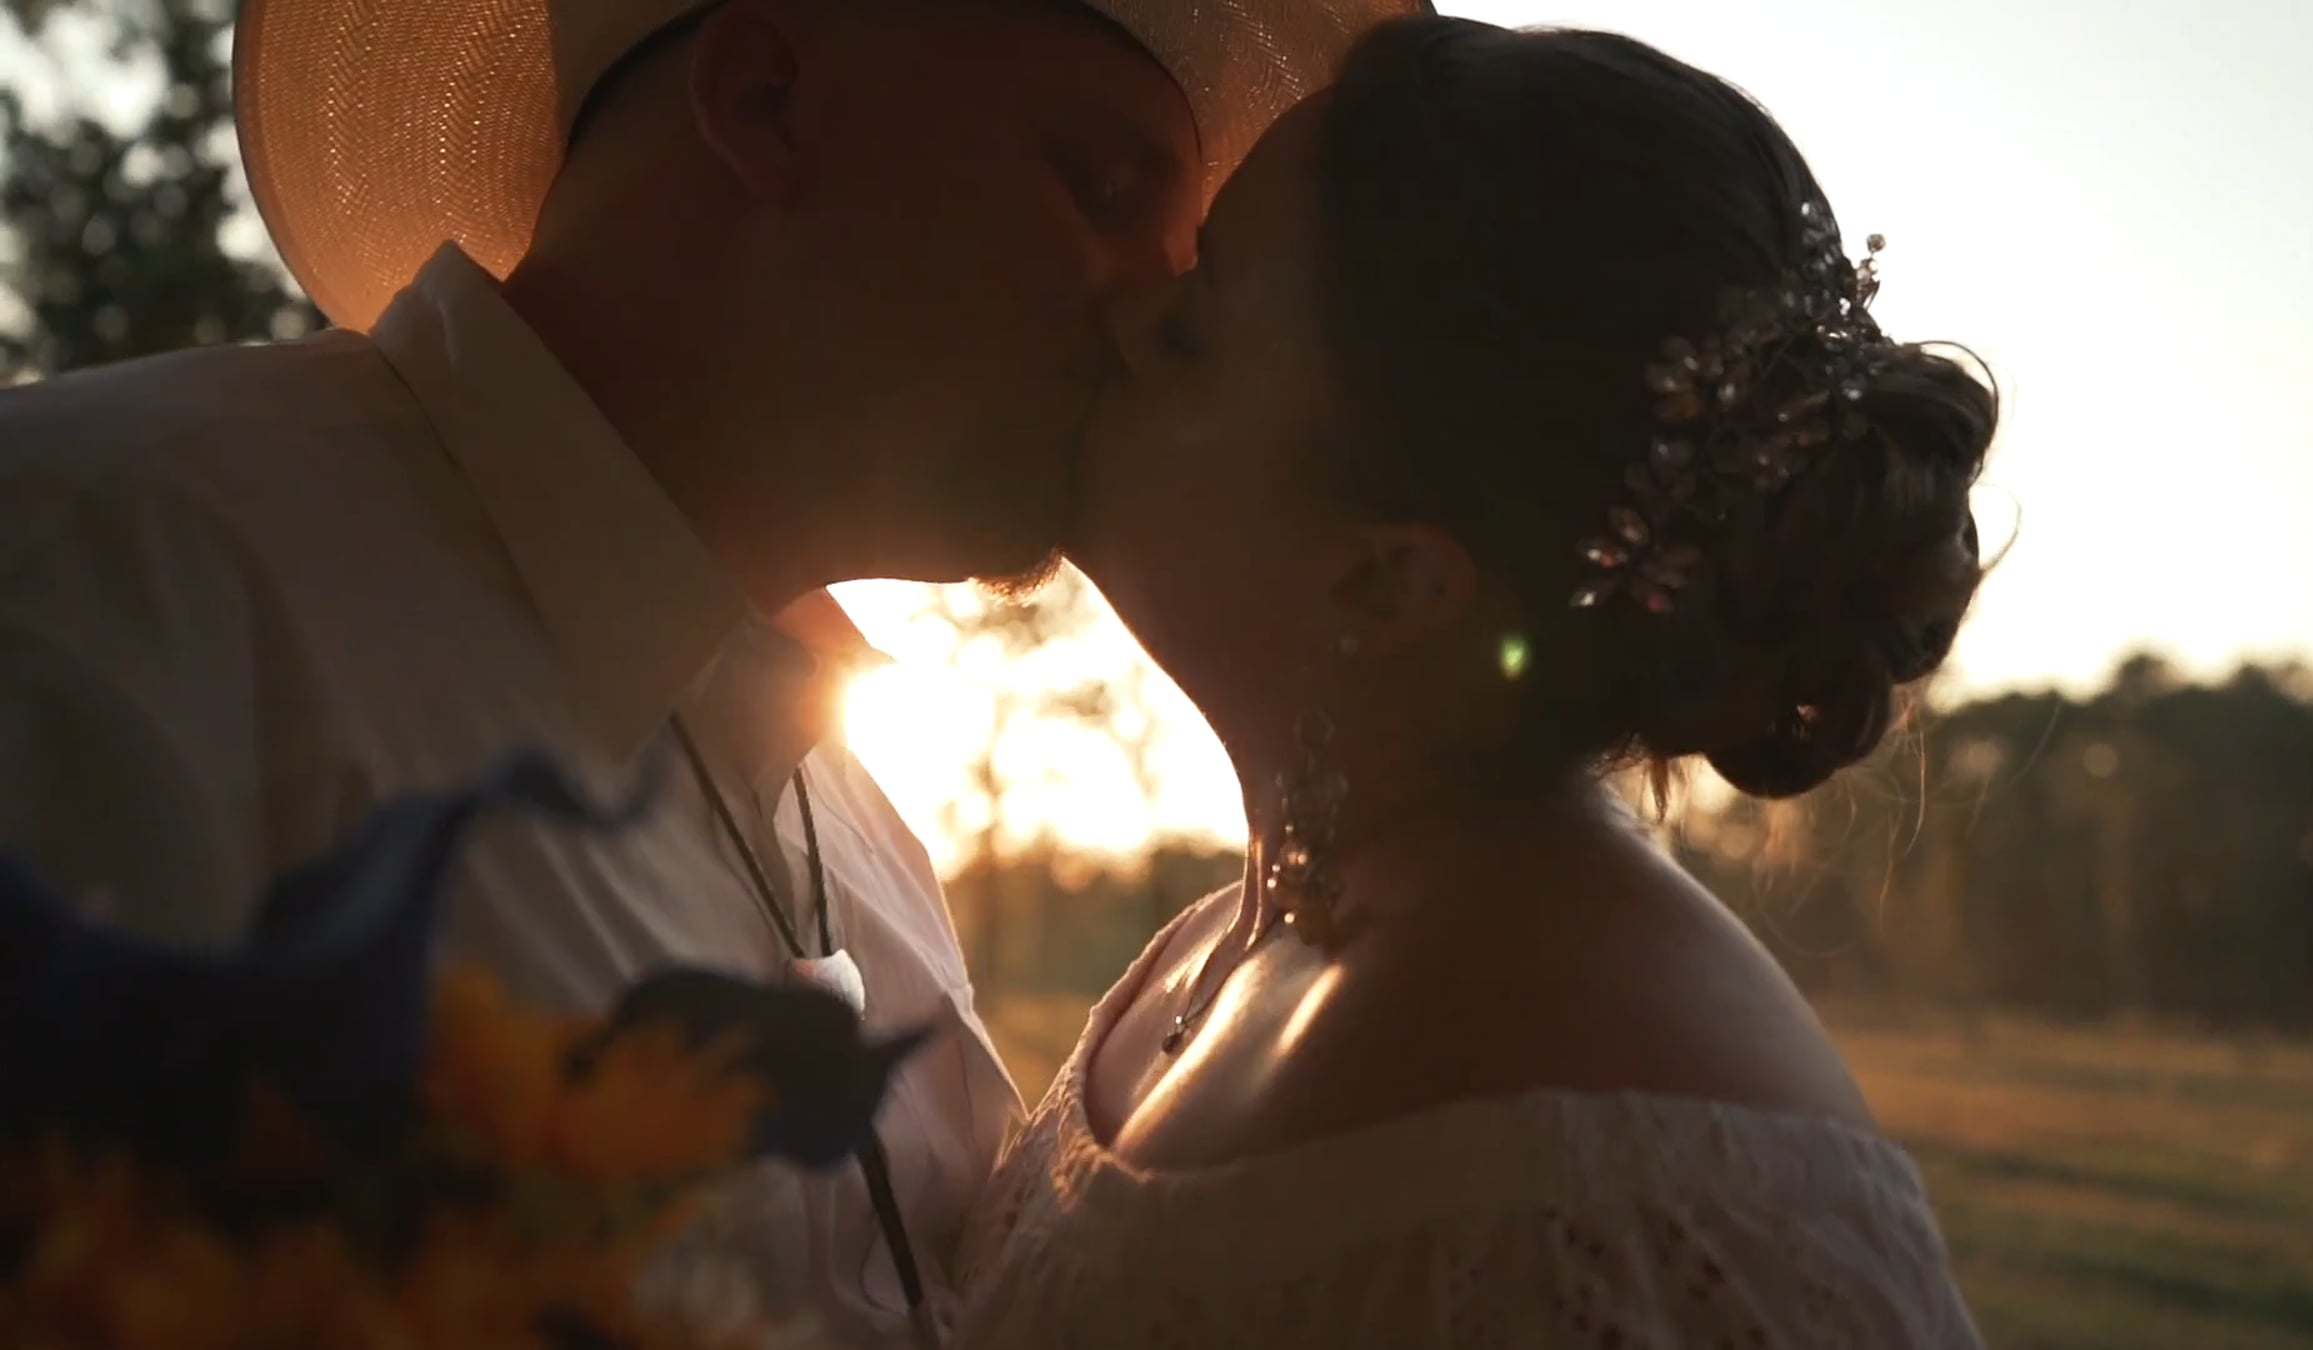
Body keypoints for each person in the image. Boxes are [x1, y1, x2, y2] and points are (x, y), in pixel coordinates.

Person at [0, 0, 1411, 1344]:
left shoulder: (859, 828)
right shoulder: (106, 588)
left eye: (1185, 252)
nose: (1157, 316)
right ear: (766, 102)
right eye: (1100, 188)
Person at [950, 16, 1993, 1347]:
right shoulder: (1260, 922)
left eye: (1196, 326)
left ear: (1388, 583)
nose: (1127, 307)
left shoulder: (1610, 1165)